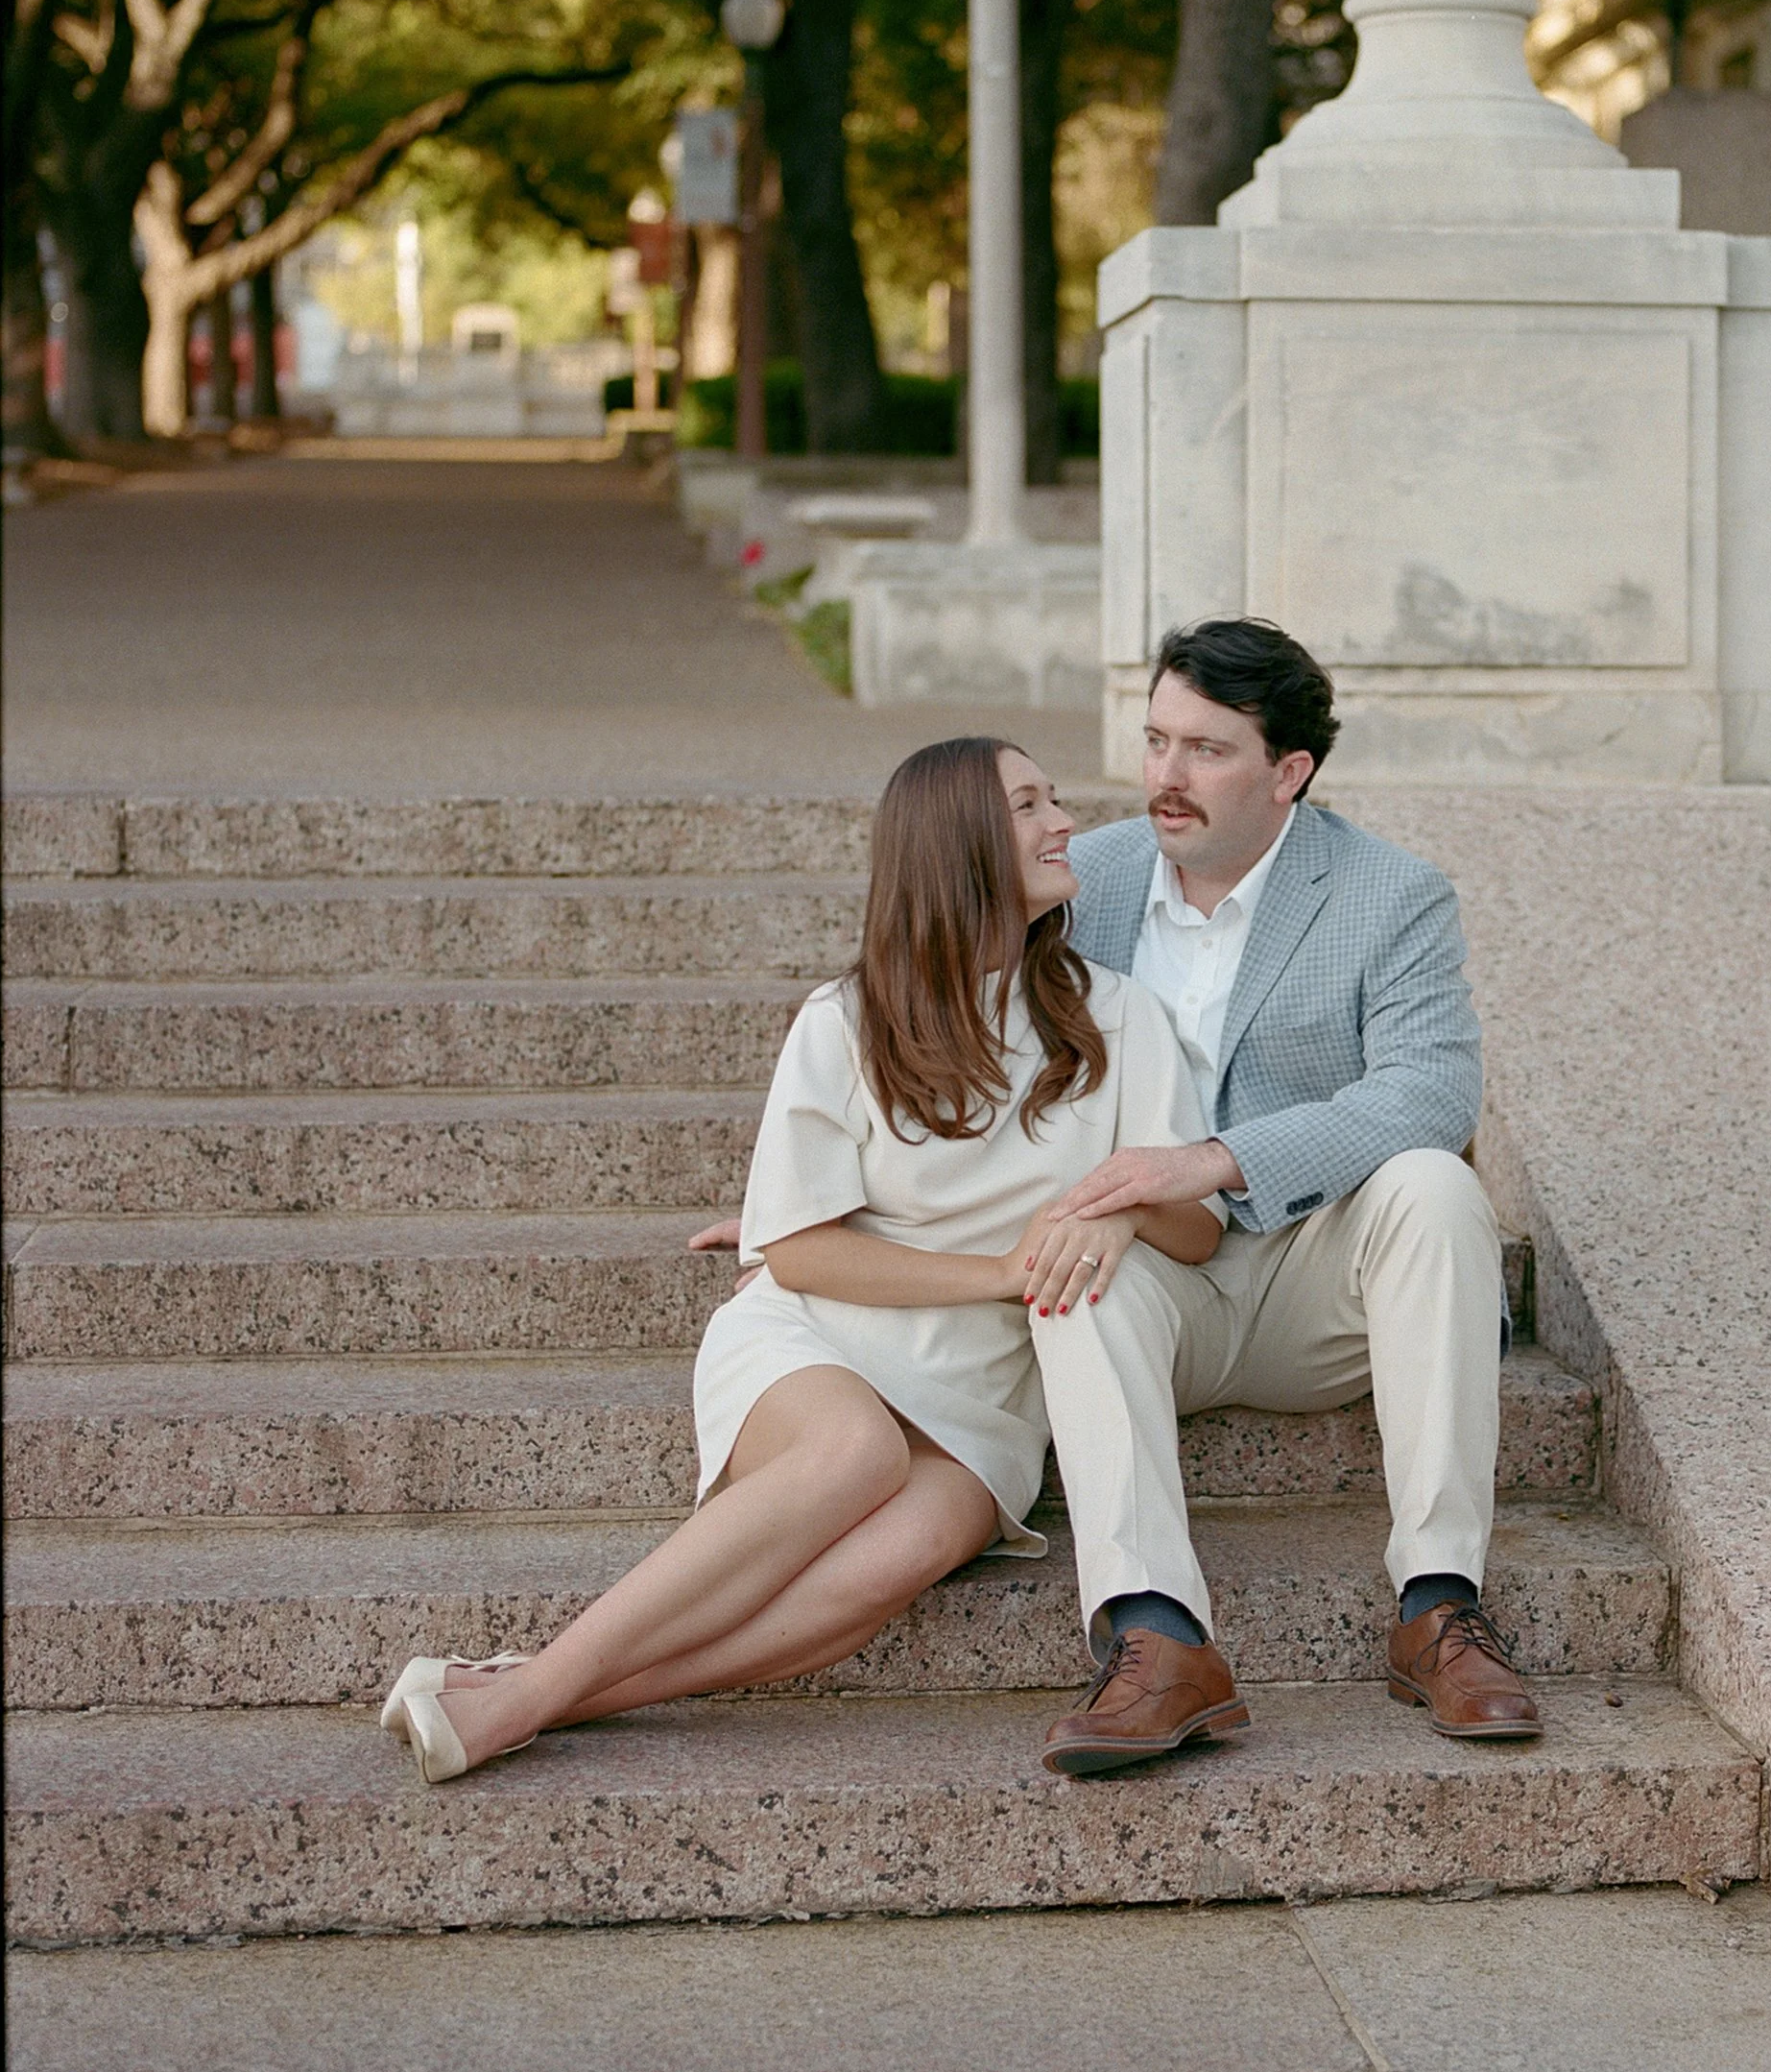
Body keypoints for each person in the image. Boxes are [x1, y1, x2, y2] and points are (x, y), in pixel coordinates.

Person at [379, 736, 1237, 1787]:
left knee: (907, 1549)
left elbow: (1198, 1231)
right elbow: (792, 1245)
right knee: (853, 1455)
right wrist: (1002, 1270)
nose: (1065, 820)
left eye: (1052, 797)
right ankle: (522, 1694)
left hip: (991, 1393)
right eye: (1028, 804)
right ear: (956, 842)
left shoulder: (1115, 1016)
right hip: (825, 1337)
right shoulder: (846, 1021)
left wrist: (1116, 1209)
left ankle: (533, 1689)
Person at [1025, 617, 1541, 1771]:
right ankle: (1157, 1640)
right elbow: (936, 1000)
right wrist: (827, 1198)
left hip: (1323, 1283)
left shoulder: (1388, 892)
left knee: (1433, 1186)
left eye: (1206, 750)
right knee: (1075, 1251)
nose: (1164, 775)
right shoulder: (1087, 879)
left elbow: (1430, 1094)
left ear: (1288, 771)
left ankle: (1439, 1605)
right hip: (1158, 1282)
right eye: (1156, 740)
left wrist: (1209, 1157)